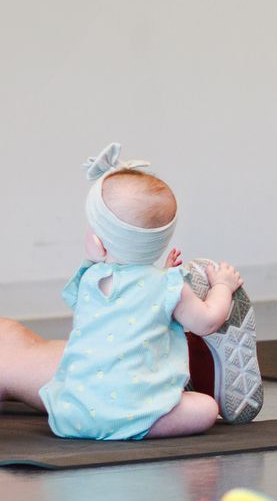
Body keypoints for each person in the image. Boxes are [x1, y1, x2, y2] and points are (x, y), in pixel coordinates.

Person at [35, 145, 254, 440]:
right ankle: (159, 399)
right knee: (206, 408)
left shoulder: (89, 278)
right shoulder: (168, 286)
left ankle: (159, 391)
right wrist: (222, 287)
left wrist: (163, 276)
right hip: (132, 411)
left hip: (71, 416)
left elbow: (124, 305)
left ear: (99, 245)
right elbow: (208, 322)